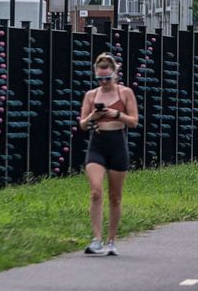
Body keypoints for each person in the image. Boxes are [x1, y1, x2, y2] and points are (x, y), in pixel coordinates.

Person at [79, 53, 139, 255]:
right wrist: (92, 116)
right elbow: (82, 125)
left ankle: (111, 240)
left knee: (115, 196)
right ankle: (96, 238)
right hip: (97, 144)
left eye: (107, 78)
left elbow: (133, 121)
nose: (104, 82)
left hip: (117, 144)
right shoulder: (91, 95)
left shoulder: (125, 93)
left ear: (115, 75)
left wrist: (116, 114)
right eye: (100, 79)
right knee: (96, 191)